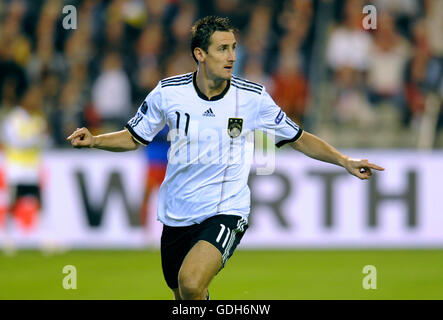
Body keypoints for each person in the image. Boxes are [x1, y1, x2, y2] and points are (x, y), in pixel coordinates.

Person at [67, 16, 384, 300]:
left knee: (191, 282)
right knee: (186, 295)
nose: (232, 56)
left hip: (226, 210)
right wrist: (95, 140)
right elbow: (133, 137)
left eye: (233, 48)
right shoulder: (167, 92)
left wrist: (344, 160)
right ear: (199, 54)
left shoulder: (252, 98)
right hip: (176, 214)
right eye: (222, 49)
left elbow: (298, 138)